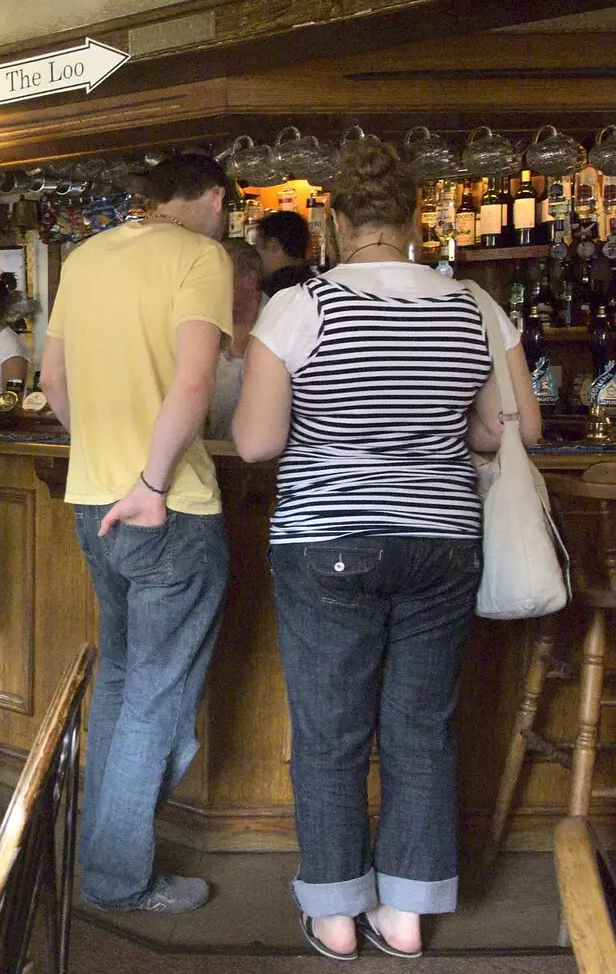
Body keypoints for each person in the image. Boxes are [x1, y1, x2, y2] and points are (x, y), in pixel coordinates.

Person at [231, 140, 540, 960]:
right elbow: (521, 429)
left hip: (327, 540)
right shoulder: (474, 306)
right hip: (440, 540)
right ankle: (405, 913)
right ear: (415, 219)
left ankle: (334, 913)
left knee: (330, 731)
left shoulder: (302, 307)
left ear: (335, 219)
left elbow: (258, 442)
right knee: (422, 729)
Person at [38, 152, 233, 913]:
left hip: (94, 504)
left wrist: (106, 458)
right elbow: (194, 380)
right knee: (159, 697)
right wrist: (150, 480)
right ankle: (120, 876)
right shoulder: (200, 255)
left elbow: (53, 380)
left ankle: (99, 851)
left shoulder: (85, 257)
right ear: (215, 197)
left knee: (122, 679)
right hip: (168, 509)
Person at [206, 240, 265, 440]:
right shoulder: (201, 330)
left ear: (250, 279)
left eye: (218, 279)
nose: (210, 288)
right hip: (215, 459)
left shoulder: (282, 322)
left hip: (270, 464)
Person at [255, 210, 316, 296]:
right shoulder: (315, 283)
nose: (254, 254)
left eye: (257, 245)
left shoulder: (272, 290)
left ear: (273, 244)